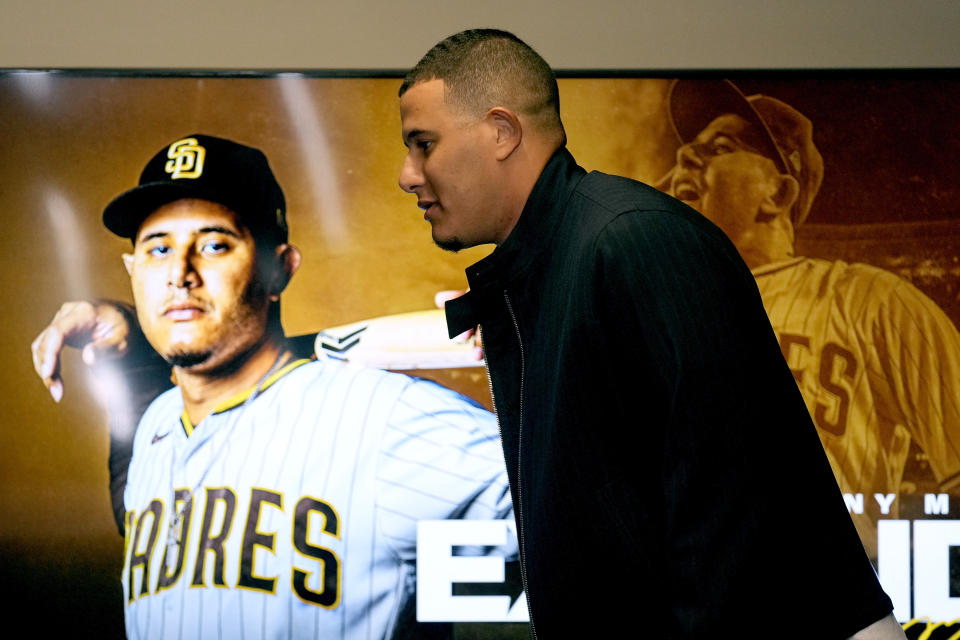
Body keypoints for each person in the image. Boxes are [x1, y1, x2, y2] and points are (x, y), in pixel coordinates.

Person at [397, 29, 904, 638]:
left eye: (423, 144)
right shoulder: (568, 260)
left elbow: (739, 533)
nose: (407, 174)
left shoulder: (635, 244)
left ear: (502, 133)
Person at [32, 134, 514, 640]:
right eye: (157, 249)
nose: (179, 274)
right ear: (133, 271)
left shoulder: (388, 423)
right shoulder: (158, 426)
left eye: (215, 244)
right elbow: (143, 512)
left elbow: (581, 539)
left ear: (280, 268)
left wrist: (557, 338)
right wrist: (130, 354)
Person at [658, 78, 960, 560]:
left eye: (719, 147)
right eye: (684, 154)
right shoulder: (648, 320)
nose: (684, 161)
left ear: (777, 194)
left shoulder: (869, 301)